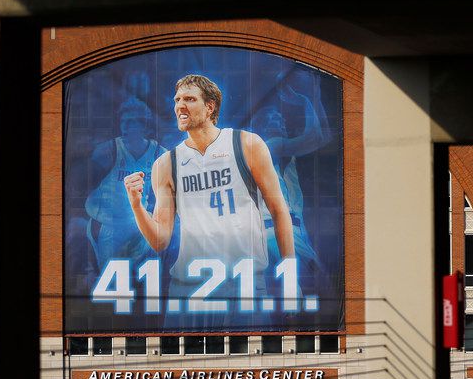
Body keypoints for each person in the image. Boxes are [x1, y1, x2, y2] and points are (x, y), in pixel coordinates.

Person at [123, 74, 296, 329]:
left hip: (244, 286)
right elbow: (160, 240)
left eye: (189, 99)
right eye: (177, 100)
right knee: (177, 369)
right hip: (188, 290)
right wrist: (137, 206)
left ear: (210, 106)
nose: (180, 105)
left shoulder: (246, 144)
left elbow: (279, 210)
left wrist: (290, 278)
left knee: (248, 366)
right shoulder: (166, 164)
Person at [250, 69, 332, 284]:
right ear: (260, 128)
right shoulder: (269, 147)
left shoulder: (284, 151)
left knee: (319, 289)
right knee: (317, 287)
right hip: (275, 234)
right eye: (274, 120)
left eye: (281, 120)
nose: (282, 123)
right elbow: (315, 136)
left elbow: (324, 136)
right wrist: (307, 100)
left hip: (292, 231)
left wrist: (316, 94)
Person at [84, 95, 166, 268]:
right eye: (123, 121)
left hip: (138, 224)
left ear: (144, 125)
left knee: (137, 277)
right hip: (109, 224)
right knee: (110, 276)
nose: (125, 127)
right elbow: (82, 185)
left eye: (131, 122)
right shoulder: (108, 150)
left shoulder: (160, 153)